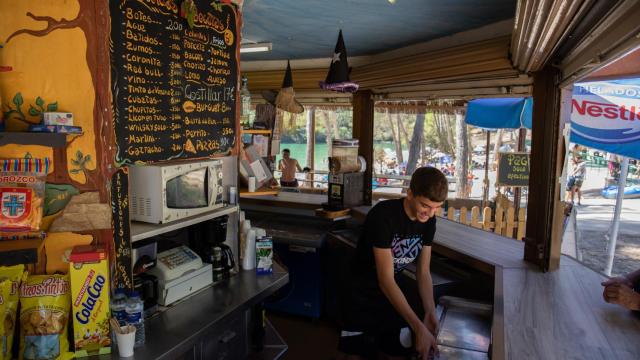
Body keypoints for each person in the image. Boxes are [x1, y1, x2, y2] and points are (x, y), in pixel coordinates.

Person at [337, 167, 448, 360]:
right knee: (356, 354)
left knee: (396, 350)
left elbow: (423, 272)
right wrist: (419, 328)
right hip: (360, 294)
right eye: (425, 205)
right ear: (410, 193)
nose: (430, 214)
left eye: (435, 208)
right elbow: (385, 279)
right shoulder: (383, 216)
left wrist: (430, 310)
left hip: (391, 296)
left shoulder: (429, 222)